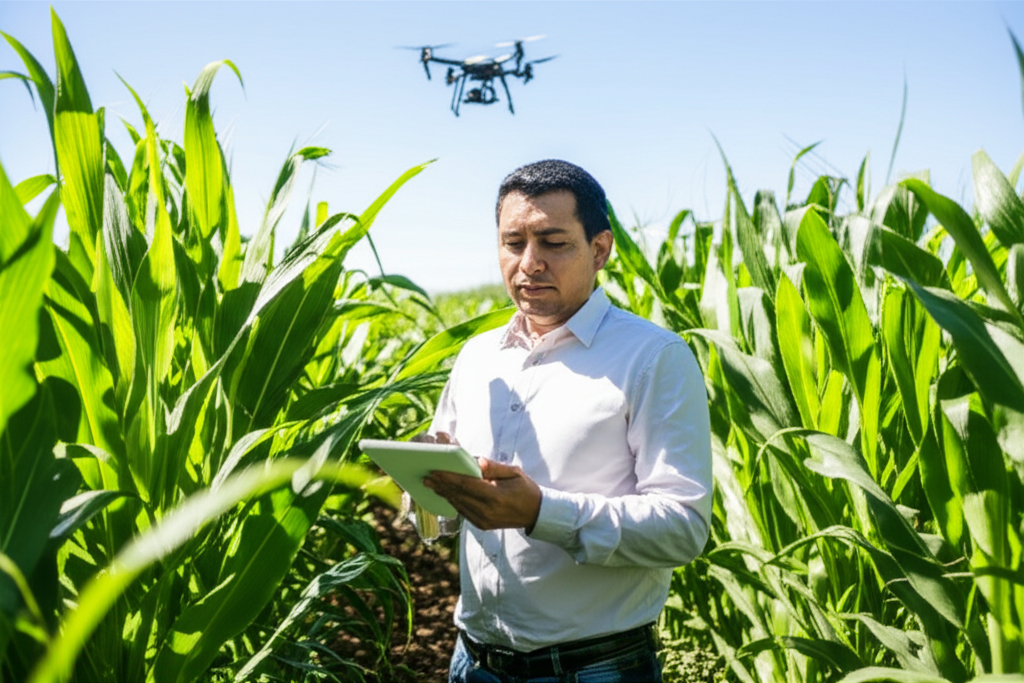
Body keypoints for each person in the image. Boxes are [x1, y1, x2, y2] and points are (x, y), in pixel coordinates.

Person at [419, 159, 712, 683]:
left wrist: (540, 511)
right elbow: (444, 520)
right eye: (513, 243)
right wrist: (433, 486)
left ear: (599, 249)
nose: (529, 263)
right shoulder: (477, 357)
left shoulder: (653, 358)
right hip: (473, 663)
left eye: (552, 243)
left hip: (593, 669)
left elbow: (683, 528)